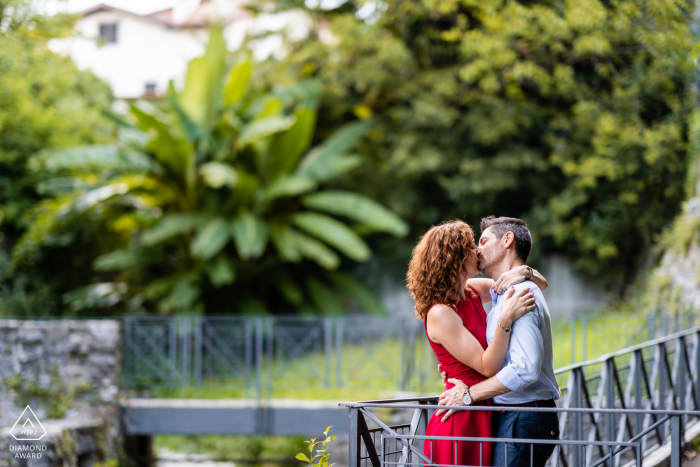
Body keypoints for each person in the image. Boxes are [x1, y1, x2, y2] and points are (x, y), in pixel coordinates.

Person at [406, 219, 549, 466]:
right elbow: (487, 367)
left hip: (483, 405)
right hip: (461, 415)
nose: (478, 251)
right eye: (472, 247)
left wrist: (524, 271)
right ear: (456, 258)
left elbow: (539, 284)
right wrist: (505, 320)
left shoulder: (472, 290)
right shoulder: (441, 312)